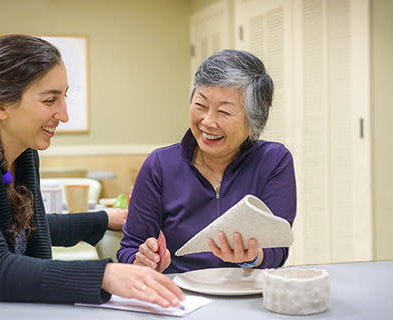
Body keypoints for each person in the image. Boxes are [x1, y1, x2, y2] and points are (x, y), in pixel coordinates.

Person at [0, 34, 183, 307]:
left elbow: (28, 227)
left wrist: (104, 219)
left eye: (64, 97)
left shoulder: (23, 153)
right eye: (49, 100)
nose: (64, 115)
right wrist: (104, 275)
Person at [117, 49, 296, 273]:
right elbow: (129, 248)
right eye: (200, 106)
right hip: (179, 296)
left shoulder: (274, 161)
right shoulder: (160, 165)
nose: (208, 122)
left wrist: (252, 257)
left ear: (254, 120)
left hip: (247, 293)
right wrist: (141, 260)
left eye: (224, 112)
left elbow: (277, 250)